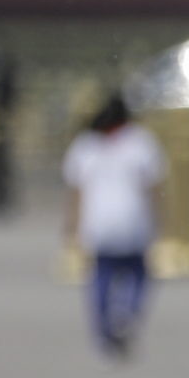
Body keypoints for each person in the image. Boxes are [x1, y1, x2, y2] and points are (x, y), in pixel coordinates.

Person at [60, 93, 166, 359]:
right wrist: (161, 217)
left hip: (98, 219)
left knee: (101, 275)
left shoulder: (86, 144)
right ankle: (127, 309)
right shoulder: (141, 141)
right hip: (132, 217)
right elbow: (154, 185)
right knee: (138, 272)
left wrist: (70, 226)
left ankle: (103, 332)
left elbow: (76, 191)